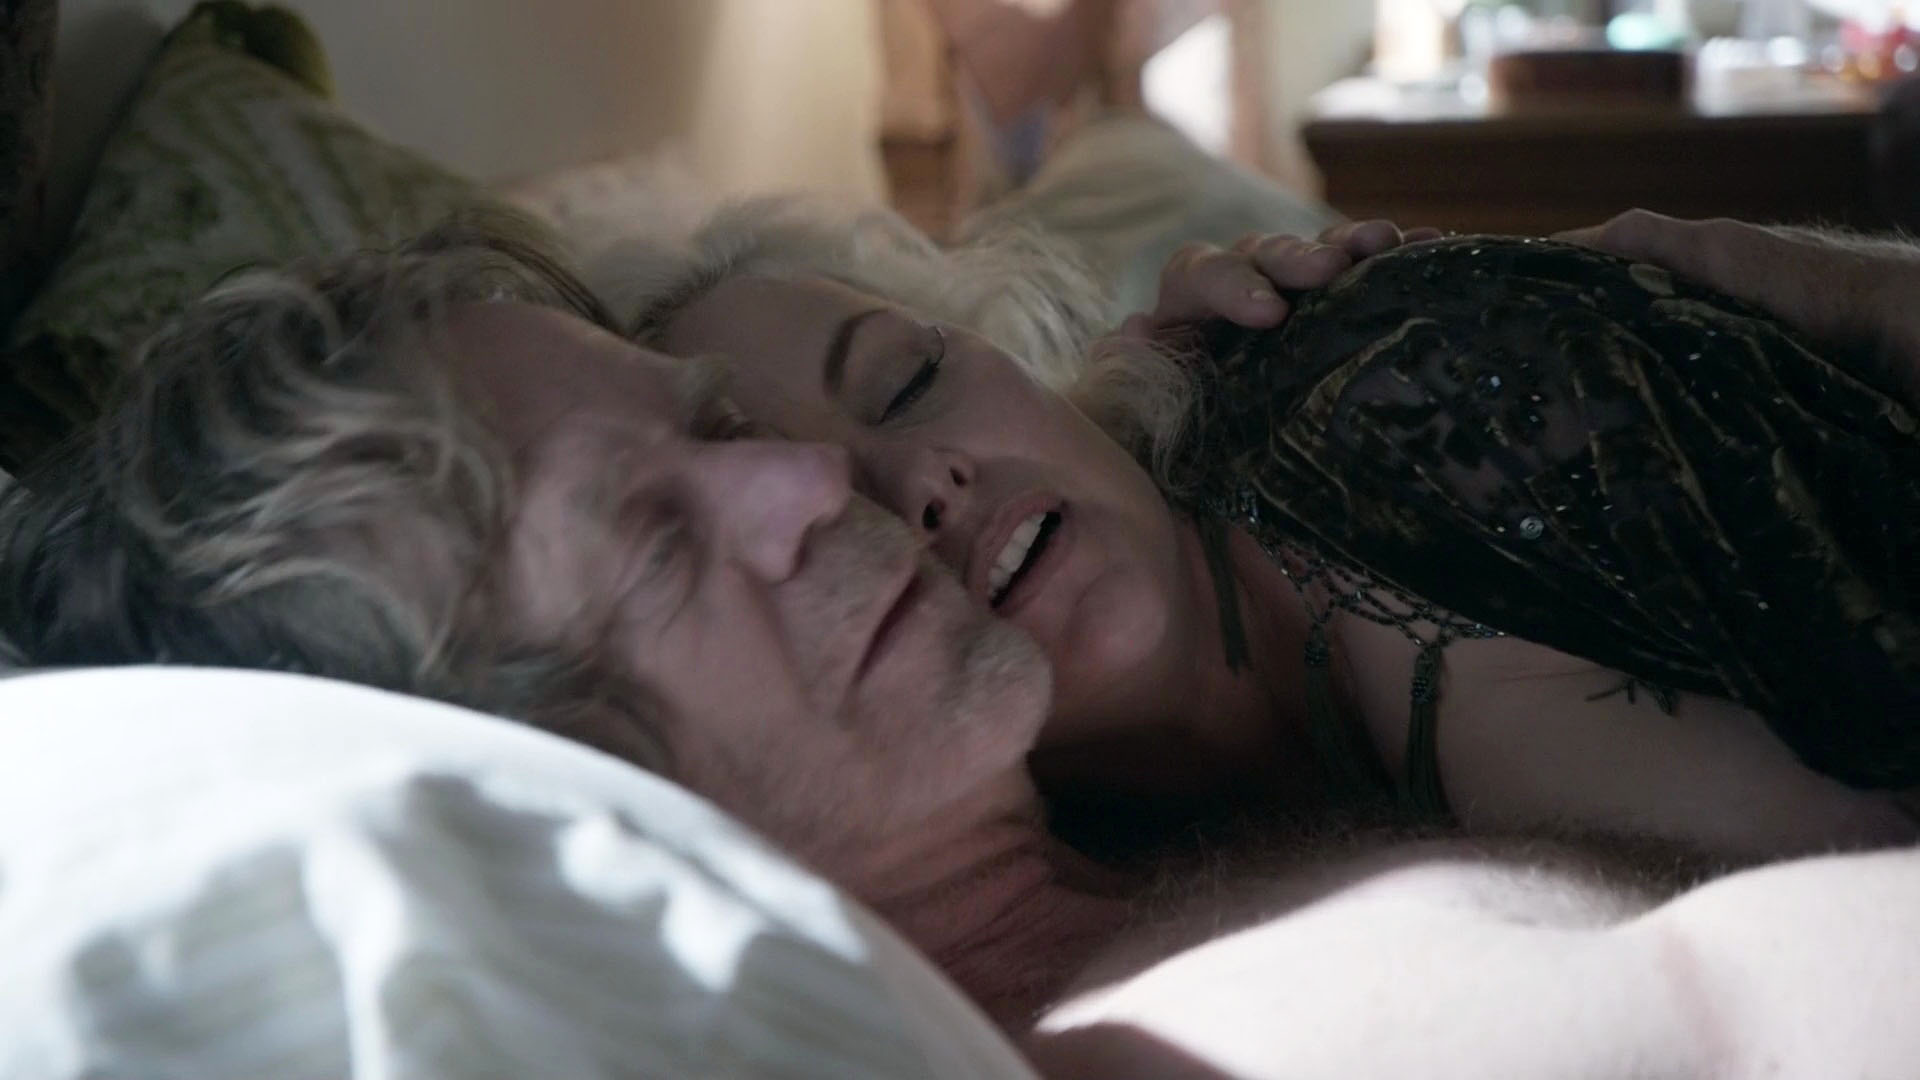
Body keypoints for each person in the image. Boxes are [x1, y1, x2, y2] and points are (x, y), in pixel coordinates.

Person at [7, 220, 1920, 1078]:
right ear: (532, 772)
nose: (816, 489)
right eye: (654, 541)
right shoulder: (1162, 1045)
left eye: (718, 428)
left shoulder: (1198, 742)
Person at [604, 201, 1920, 865]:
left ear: (1024, 360)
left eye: (906, 381)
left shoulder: (1405, 380)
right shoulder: (1064, 909)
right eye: (836, 513)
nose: (921, 483)